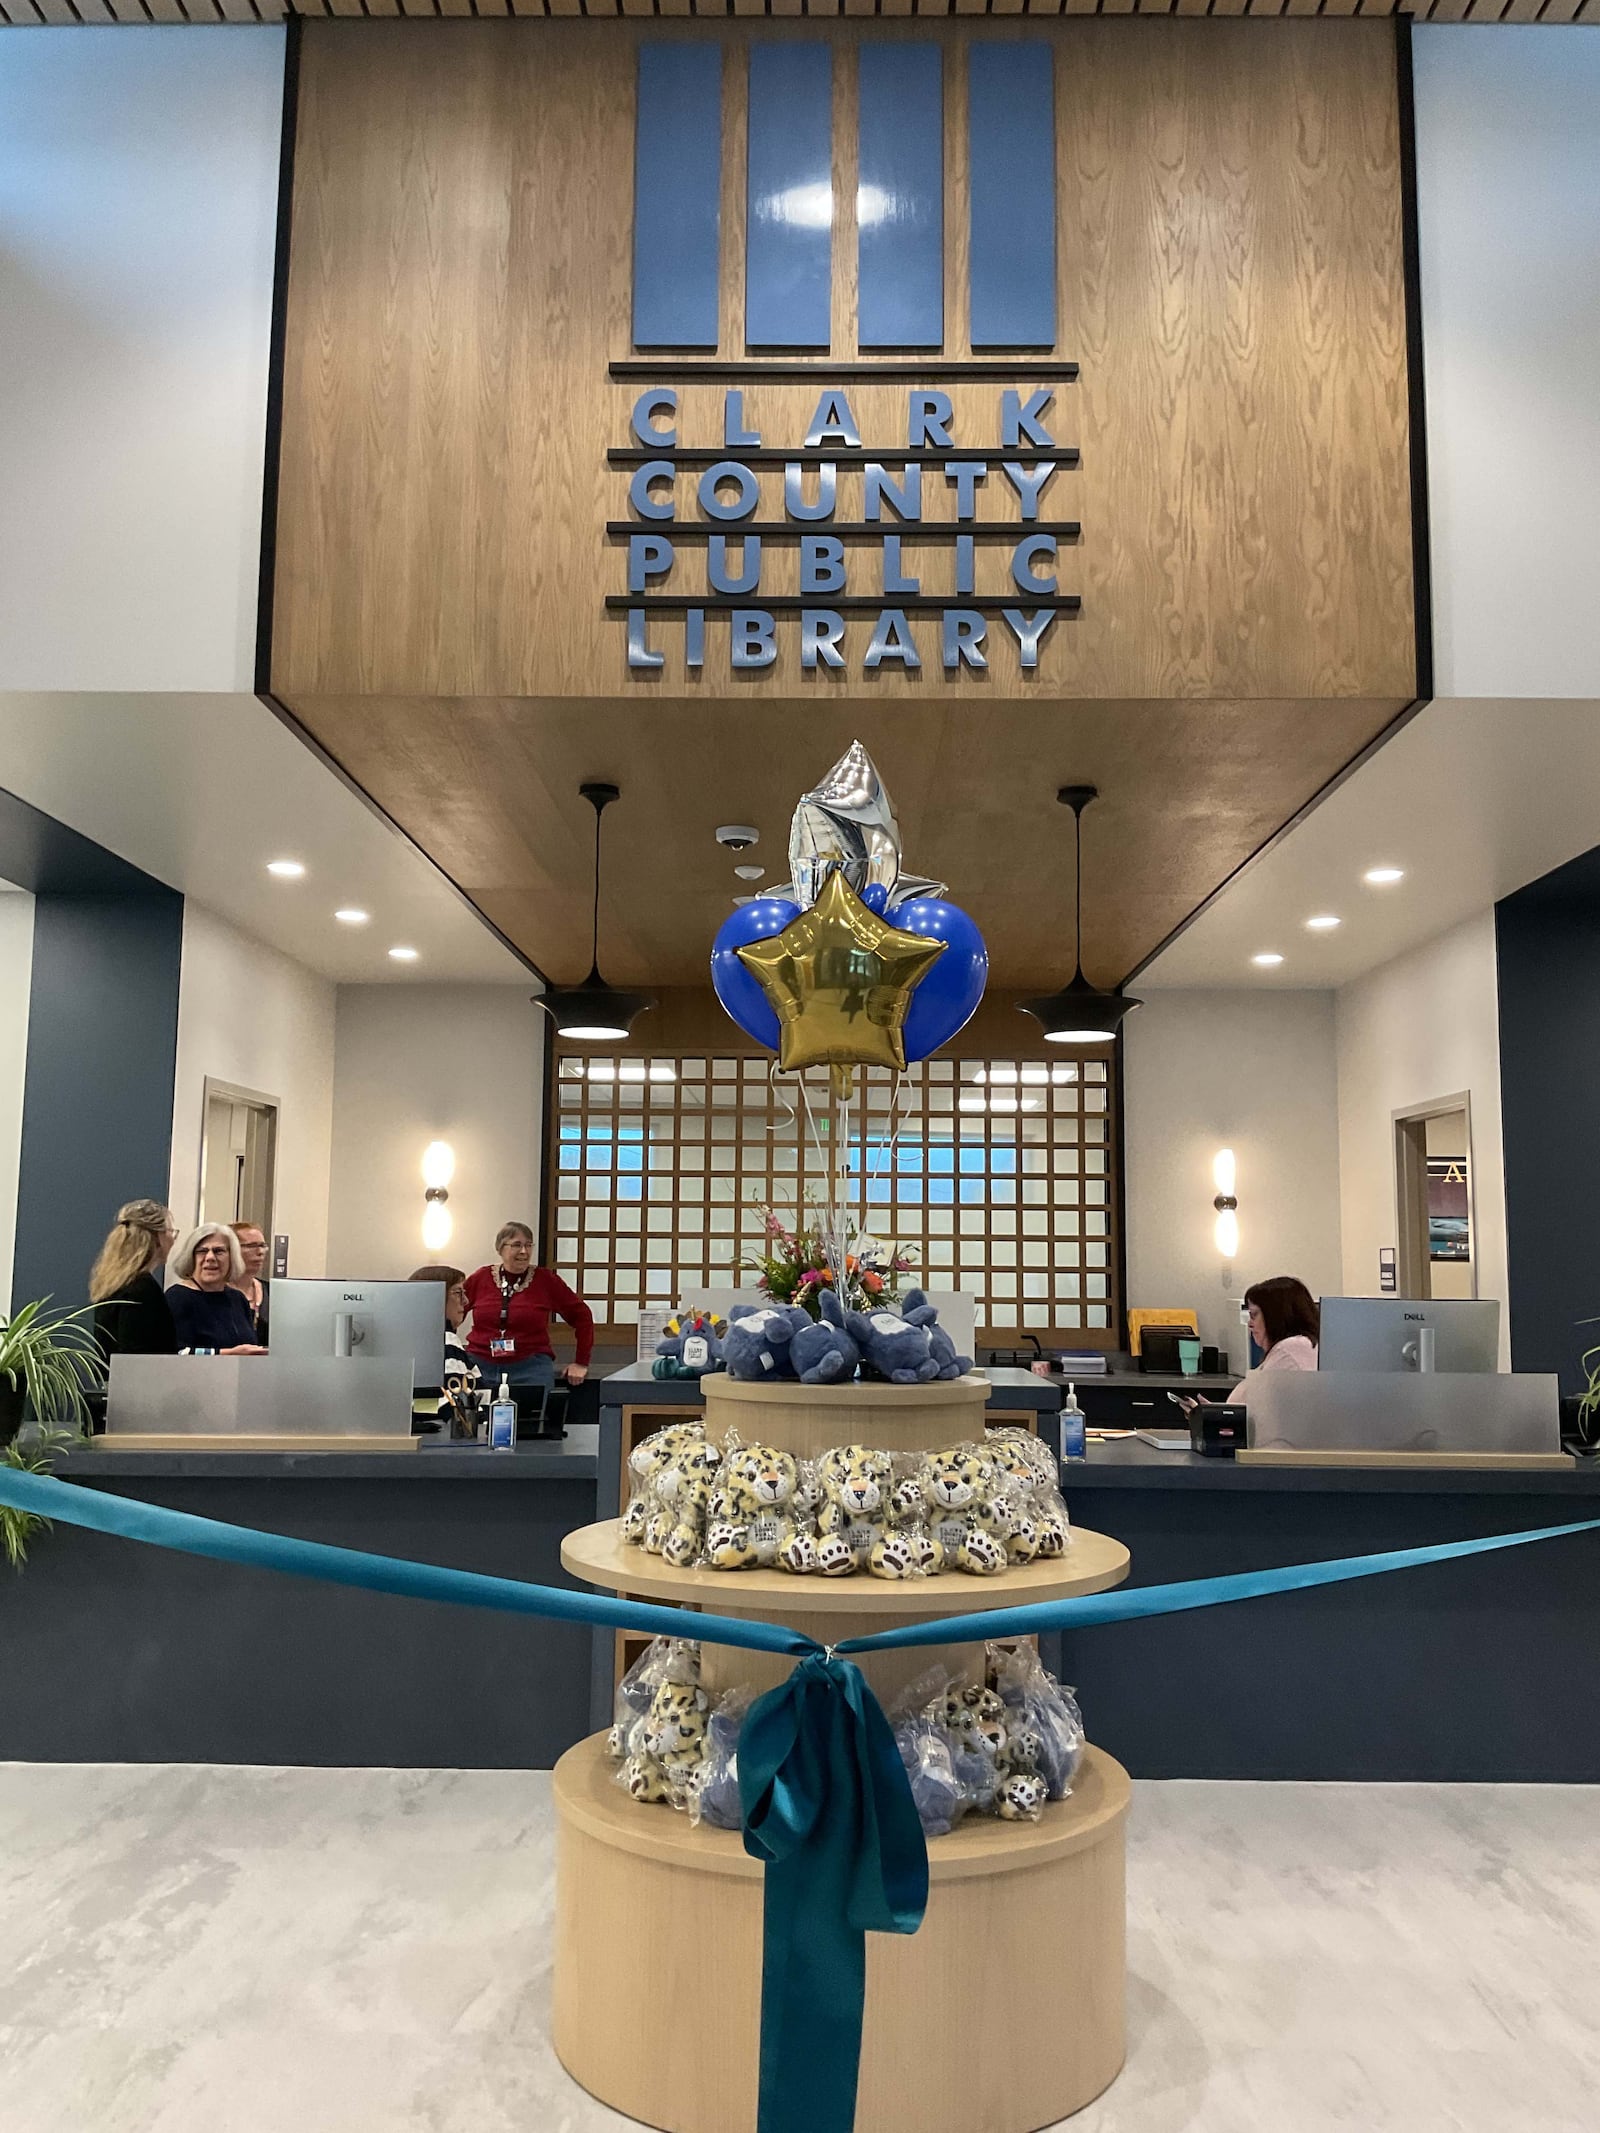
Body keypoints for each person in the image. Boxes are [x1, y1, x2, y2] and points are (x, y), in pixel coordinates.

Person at [461, 1221, 592, 1407]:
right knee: (477, 1426)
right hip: (480, 1366)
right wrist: (450, 1355)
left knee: (532, 1427)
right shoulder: (480, 1278)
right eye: (516, 1245)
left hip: (531, 1368)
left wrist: (581, 1362)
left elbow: (582, 1316)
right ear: (500, 1248)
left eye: (528, 1245)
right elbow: (451, 1314)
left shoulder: (546, 1281)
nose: (524, 1251)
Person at [1178, 1275, 1320, 1414]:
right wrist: (1213, 1414)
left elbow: (1260, 1416)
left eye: (1254, 1315)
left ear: (1274, 1316)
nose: (1250, 1324)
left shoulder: (1290, 1349)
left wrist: (1217, 1417)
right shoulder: (1295, 1348)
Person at [89, 1199, 179, 1361]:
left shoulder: (112, 1284)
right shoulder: (143, 1290)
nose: (173, 1239)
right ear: (158, 1237)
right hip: (142, 1383)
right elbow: (140, 1357)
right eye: (170, 1232)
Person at [166, 1225, 268, 1355]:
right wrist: (228, 1353)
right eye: (202, 1251)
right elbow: (177, 1352)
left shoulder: (238, 1299)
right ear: (191, 1257)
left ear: (232, 1257)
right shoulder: (178, 1298)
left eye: (218, 1251)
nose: (210, 1257)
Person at [408, 1262, 480, 1434]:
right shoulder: (446, 1340)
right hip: (442, 1434)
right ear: (434, 1298)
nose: (466, 1301)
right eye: (457, 1293)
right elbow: (458, 1403)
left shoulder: (408, 1339)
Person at [230, 1222, 271, 1344]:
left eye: (262, 1245)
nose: (260, 1252)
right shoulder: (217, 1293)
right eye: (252, 1246)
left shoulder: (272, 1292)